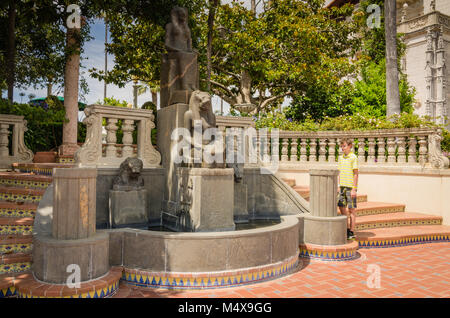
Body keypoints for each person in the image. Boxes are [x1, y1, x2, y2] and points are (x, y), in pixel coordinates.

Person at [337, 138, 359, 239]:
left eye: (344, 146)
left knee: (351, 210)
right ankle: (345, 229)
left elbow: (355, 174)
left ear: (350, 146)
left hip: (350, 188)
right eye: (341, 146)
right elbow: (339, 173)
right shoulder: (341, 158)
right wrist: (338, 185)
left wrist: (354, 189)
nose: (342, 148)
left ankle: (351, 231)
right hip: (342, 187)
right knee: (342, 208)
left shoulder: (353, 157)